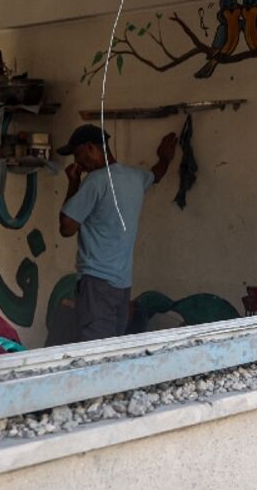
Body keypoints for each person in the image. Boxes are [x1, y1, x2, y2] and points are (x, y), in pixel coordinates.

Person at [58, 124, 177, 342]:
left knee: (95, 350)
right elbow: (156, 174)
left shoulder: (95, 181)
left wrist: (73, 183)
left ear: (90, 147)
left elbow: (66, 227)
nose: (78, 163)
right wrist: (165, 158)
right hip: (122, 285)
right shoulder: (135, 177)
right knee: (113, 348)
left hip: (96, 285)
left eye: (78, 155)